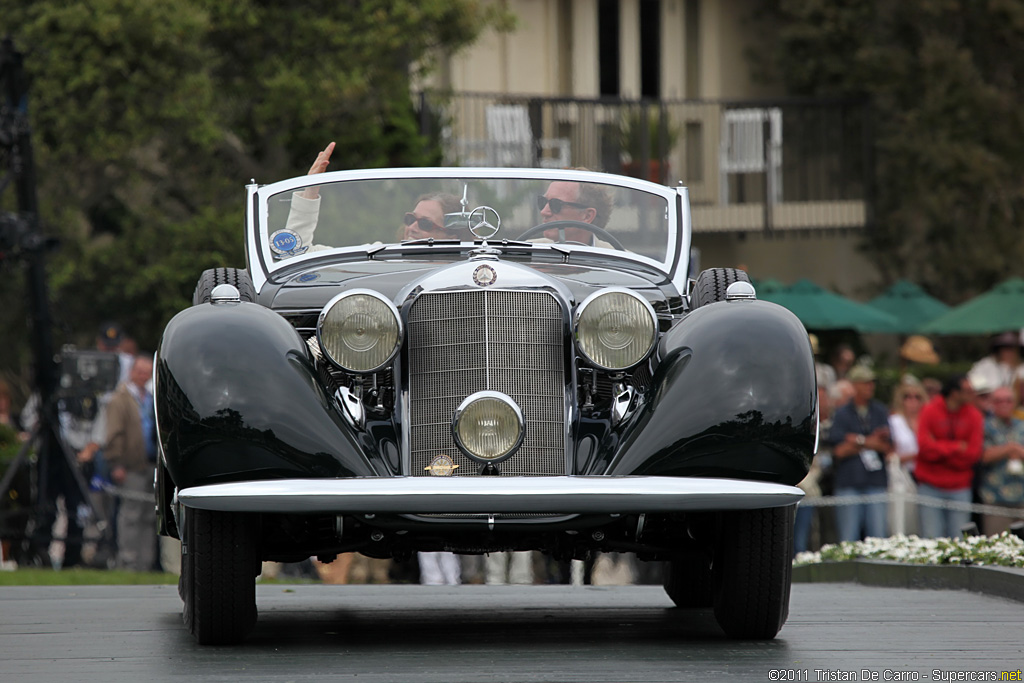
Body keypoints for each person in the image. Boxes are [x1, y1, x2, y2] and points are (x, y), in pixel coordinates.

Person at [103, 354, 158, 571]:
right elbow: (113, 434)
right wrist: (116, 463)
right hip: (130, 466)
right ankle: (128, 561)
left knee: (149, 516)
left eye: (147, 372)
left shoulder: (150, 398)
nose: (143, 375)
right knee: (131, 515)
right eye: (140, 371)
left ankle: (145, 562)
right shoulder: (120, 399)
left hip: (150, 465)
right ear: (132, 372)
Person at [826, 365, 891, 542]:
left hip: (875, 481)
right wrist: (871, 441)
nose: (870, 387)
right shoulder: (842, 414)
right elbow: (839, 450)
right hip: (849, 482)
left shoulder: (879, 410)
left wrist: (857, 440)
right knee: (848, 538)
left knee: (878, 538)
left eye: (872, 383)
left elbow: (887, 447)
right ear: (855, 385)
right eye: (865, 383)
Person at [915, 374, 984, 538]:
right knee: (931, 538)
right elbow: (924, 448)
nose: (972, 393)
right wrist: (956, 447)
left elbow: (973, 454)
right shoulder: (930, 410)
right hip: (930, 486)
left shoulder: (974, 415)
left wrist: (938, 448)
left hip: (960, 486)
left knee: (959, 538)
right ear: (954, 392)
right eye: (967, 390)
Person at [978, 386, 1024, 536]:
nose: (1004, 404)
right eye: (999, 401)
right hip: (995, 497)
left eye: (1008, 400)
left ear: (1014, 403)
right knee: (997, 546)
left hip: (1022, 497)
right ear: (992, 403)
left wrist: (1018, 451)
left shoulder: (1021, 426)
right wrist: (1009, 448)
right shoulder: (984, 426)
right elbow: (983, 456)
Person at [887, 376, 927, 535]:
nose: (912, 401)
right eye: (907, 396)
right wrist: (916, 456)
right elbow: (890, 455)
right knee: (904, 521)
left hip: (925, 477)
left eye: (917, 396)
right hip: (903, 477)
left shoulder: (927, 420)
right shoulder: (894, 421)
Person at [536, 177, 615, 247]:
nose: (543, 212)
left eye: (556, 204)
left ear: (587, 216)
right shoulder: (529, 252)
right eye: (542, 201)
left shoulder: (619, 259)